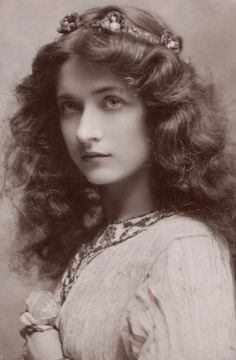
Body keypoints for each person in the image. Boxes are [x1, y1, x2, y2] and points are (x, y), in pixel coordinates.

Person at [4, 4, 236, 360]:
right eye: (70, 106)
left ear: (159, 115)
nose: (84, 132)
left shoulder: (184, 249)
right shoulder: (105, 240)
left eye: (111, 101)